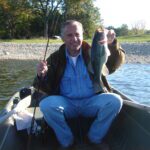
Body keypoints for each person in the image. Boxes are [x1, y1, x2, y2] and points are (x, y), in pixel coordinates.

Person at [33, 20, 125, 149]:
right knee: (46, 105)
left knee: (115, 101)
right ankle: (66, 141)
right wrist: (41, 75)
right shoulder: (55, 58)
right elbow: (42, 86)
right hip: (67, 104)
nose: (74, 39)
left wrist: (112, 44)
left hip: (91, 102)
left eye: (77, 34)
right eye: (69, 35)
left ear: (82, 35)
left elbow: (114, 64)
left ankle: (94, 138)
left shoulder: (93, 51)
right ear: (63, 38)